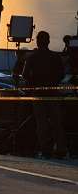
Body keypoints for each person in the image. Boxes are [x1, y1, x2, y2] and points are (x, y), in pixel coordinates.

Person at [21, 31, 67, 159]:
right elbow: (62, 74)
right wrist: (53, 81)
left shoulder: (32, 57)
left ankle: (45, 149)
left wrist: (33, 81)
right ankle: (61, 148)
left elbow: (25, 75)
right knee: (57, 122)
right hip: (53, 93)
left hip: (38, 94)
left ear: (37, 41)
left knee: (41, 123)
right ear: (48, 41)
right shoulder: (55, 57)